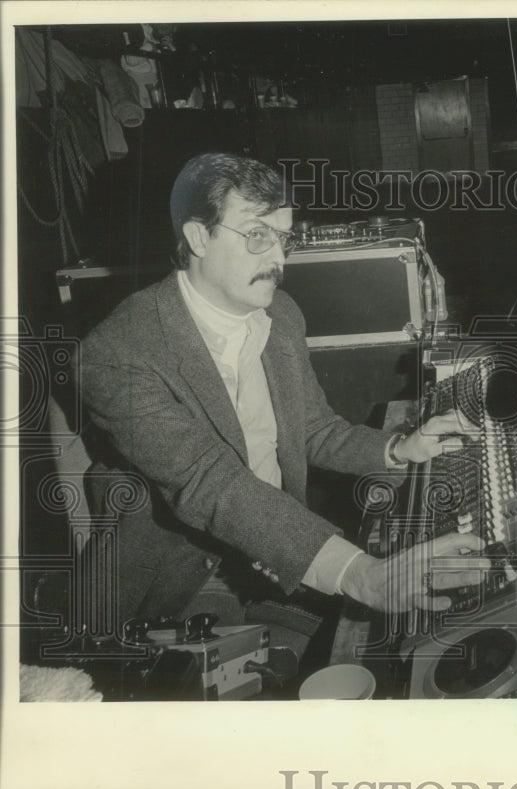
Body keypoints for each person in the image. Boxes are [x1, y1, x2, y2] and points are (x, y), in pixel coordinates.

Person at [79, 152, 488, 656]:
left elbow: (313, 429)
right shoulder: (118, 353)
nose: (278, 257)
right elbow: (210, 485)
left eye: (283, 237)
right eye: (257, 235)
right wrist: (359, 574)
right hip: (177, 587)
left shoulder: (281, 314)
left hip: (275, 551)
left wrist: (401, 448)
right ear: (198, 237)